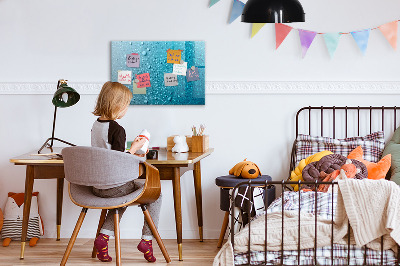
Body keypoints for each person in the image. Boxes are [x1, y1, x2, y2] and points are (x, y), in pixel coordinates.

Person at [91, 81, 161, 263]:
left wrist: (130, 149)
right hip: (114, 186)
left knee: (122, 198)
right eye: (126, 105)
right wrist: (135, 149)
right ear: (117, 105)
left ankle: (103, 238)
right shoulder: (117, 129)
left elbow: (108, 154)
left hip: (97, 186)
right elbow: (118, 161)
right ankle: (147, 240)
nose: (127, 109)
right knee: (156, 194)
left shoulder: (96, 125)